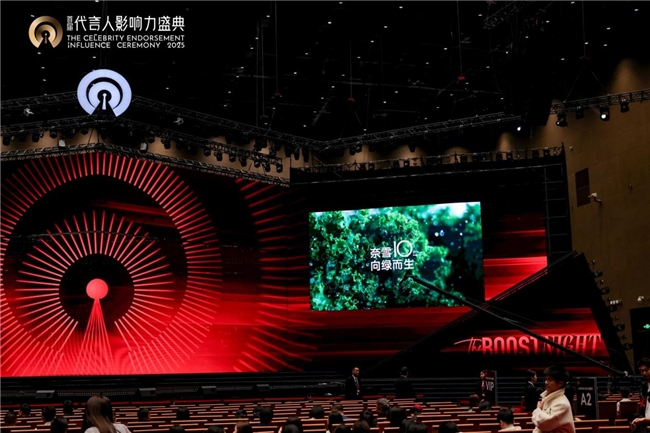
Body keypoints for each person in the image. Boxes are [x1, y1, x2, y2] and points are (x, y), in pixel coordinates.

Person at [531, 365, 575, 433]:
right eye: (545, 379)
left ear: (560, 383)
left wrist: (538, 410)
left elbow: (544, 424)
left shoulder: (562, 404)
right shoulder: (548, 398)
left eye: (550, 380)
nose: (546, 382)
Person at [631, 358, 650, 432]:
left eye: (646, 370)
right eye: (642, 371)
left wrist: (644, 420)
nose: (644, 373)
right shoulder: (645, 387)